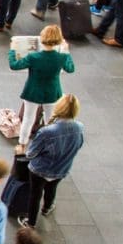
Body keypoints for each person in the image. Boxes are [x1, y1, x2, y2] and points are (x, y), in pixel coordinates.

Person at [21, 93, 85, 228]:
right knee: (52, 188)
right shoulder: (79, 127)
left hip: (40, 170)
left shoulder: (47, 131)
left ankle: (31, 222)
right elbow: (79, 145)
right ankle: (47, 207)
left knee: (35, 195)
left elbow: (31, 153)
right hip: (62, 169)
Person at [9, 24, 75, 152]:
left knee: (28, 118)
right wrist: (67, 51)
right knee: (50, 120)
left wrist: (12, 50)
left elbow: (14, 65)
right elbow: (70, 68)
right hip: (52, 91)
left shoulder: (34, 57)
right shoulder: (61, 57)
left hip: (32, 91)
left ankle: (22, 145)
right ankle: (48, 144)